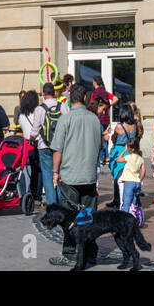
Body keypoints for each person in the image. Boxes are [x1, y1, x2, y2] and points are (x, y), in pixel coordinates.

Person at [49, 82, 102, 268]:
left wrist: (55, 172)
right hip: (89, 177)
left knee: (69, 220)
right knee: (87, 219)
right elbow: (99, 147)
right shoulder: (95, 120)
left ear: (70, 98)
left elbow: (57, 150)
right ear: (85, 98)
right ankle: (89, 254)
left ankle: (70, 253)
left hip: (70, 177)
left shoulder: (66, 119)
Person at [17, 88, 46, 207]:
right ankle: (37, 196)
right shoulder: (37, 113)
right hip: (37, 144)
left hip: (26, 146)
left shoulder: (22, 115)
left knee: (31, 171)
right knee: (39, 171)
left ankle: (30, 192)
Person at [35, 83, 60, 208]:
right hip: (60, 147)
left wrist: (32, 137)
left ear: (43, 94)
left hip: (44, 146)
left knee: (47, 176)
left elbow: (34, 132)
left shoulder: (40, 109)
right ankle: (61, 204)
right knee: (59, 174)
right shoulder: (63, 107)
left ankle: (52, 205)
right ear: (55, 93)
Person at [119, 136, 145, 215]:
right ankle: (135, 208)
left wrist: (124, 150)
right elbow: (143, 170)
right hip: (137, 182)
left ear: (132, 149)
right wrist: (140, 179)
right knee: (135, 199)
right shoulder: (140, 158)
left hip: (129, 183)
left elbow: (118, 159)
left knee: (126, 201)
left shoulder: (128, 157)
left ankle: (124, 217)